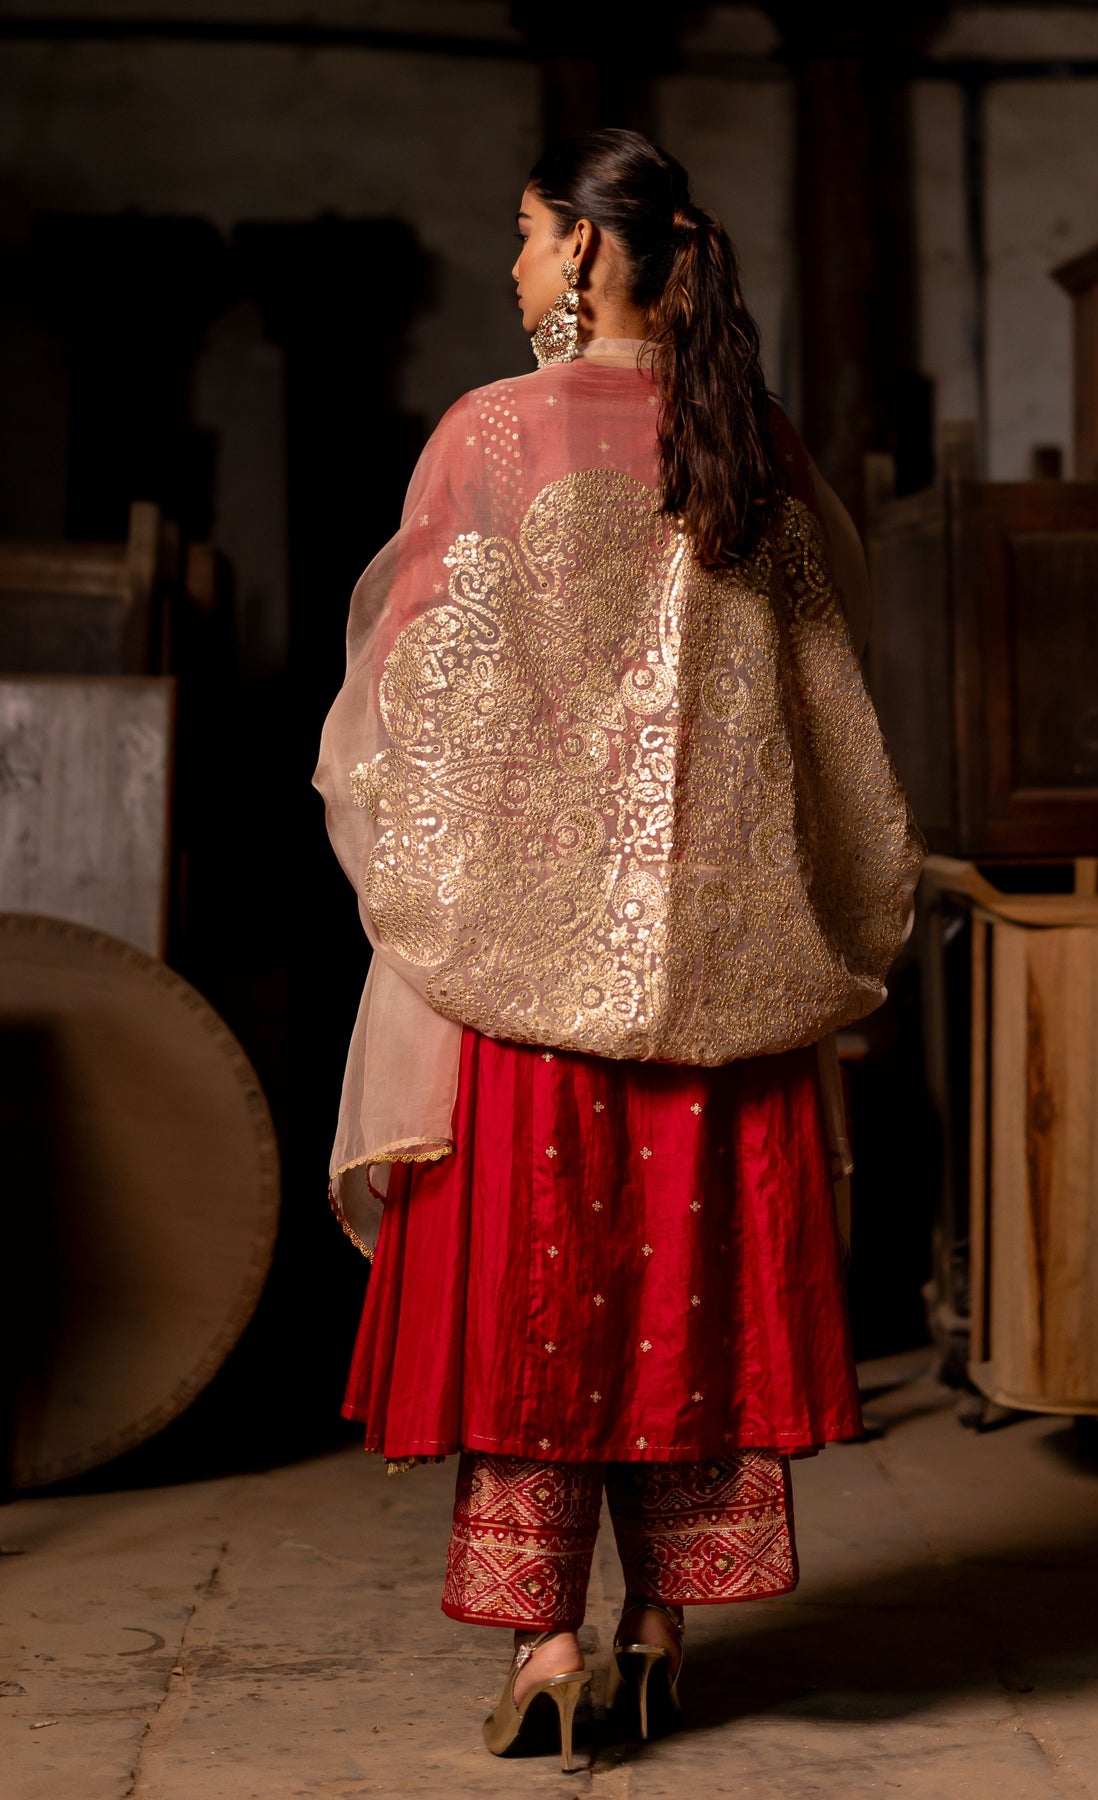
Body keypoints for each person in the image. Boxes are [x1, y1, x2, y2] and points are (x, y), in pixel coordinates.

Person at [314, 127, 924, 1772]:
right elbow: (827, 708)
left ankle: (548, 1643)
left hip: (532, 976)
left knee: (544, 1301)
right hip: (722, 977)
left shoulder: (495, 438)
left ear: (586, 253)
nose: (515, 266)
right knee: (693, 1295)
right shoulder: (753, 441)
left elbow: (413, 705)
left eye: (524, 237)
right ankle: (664, 1631)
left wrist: (446, 873)